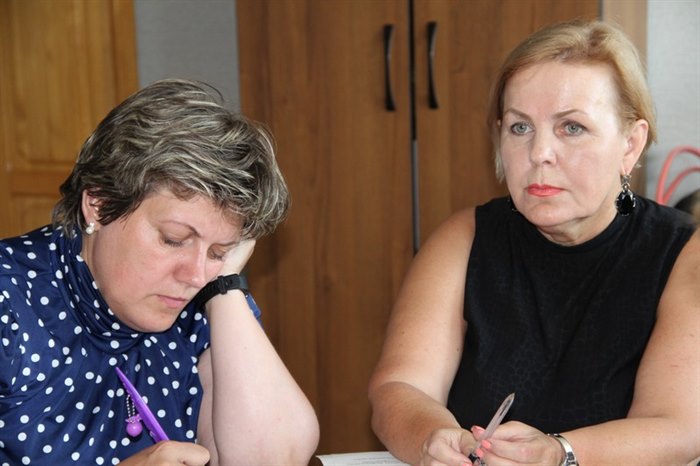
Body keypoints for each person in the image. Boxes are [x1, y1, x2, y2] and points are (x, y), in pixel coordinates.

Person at [369, 19, 699, 466]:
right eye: (520, 128)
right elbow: (399, 388)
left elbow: (678, 427)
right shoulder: (464, 239)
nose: (539, 153)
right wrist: (433, 438)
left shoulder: (682, 253)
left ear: (630, 144)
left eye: (572, 128)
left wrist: (560, 453)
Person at [0, 79, 319, 465]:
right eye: (174, 239)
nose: (196, 276)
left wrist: (226, 285)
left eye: (219, 251)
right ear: (98, 205)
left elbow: (273, 458)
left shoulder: (206, 297)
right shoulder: (9, 299)